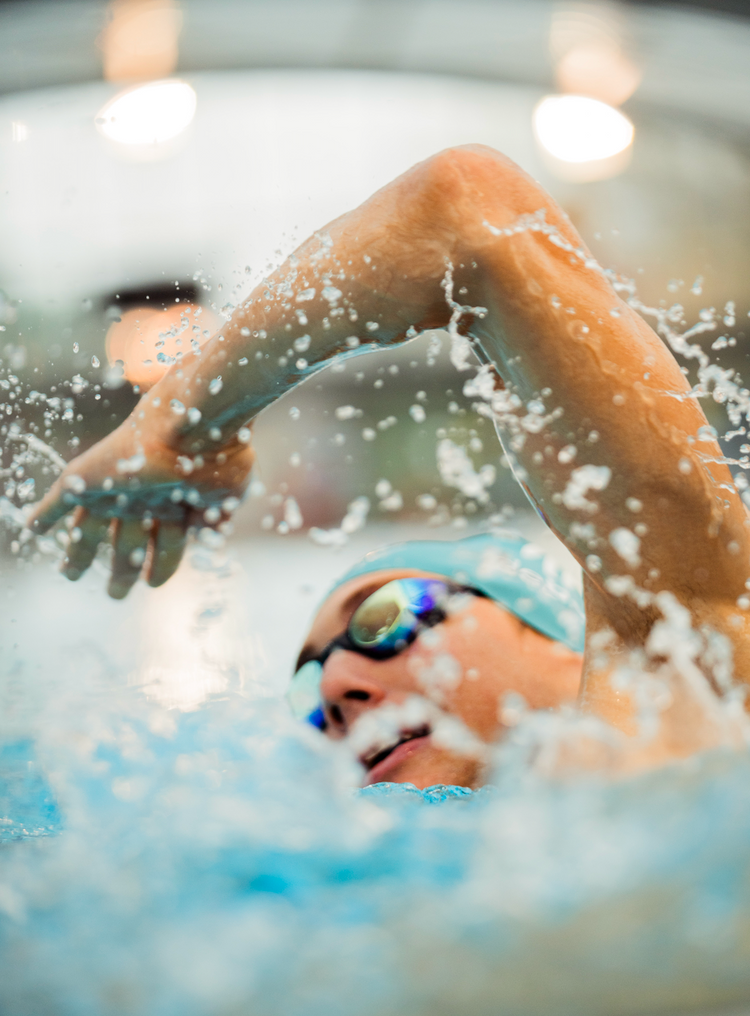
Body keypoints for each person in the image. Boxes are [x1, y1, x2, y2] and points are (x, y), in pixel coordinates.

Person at [30, 145, 750, 784]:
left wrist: (186, 421)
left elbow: (468, 210)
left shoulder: (672, 687)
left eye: (385, 620)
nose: (338, 686)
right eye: (306, 693)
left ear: (557, 640)